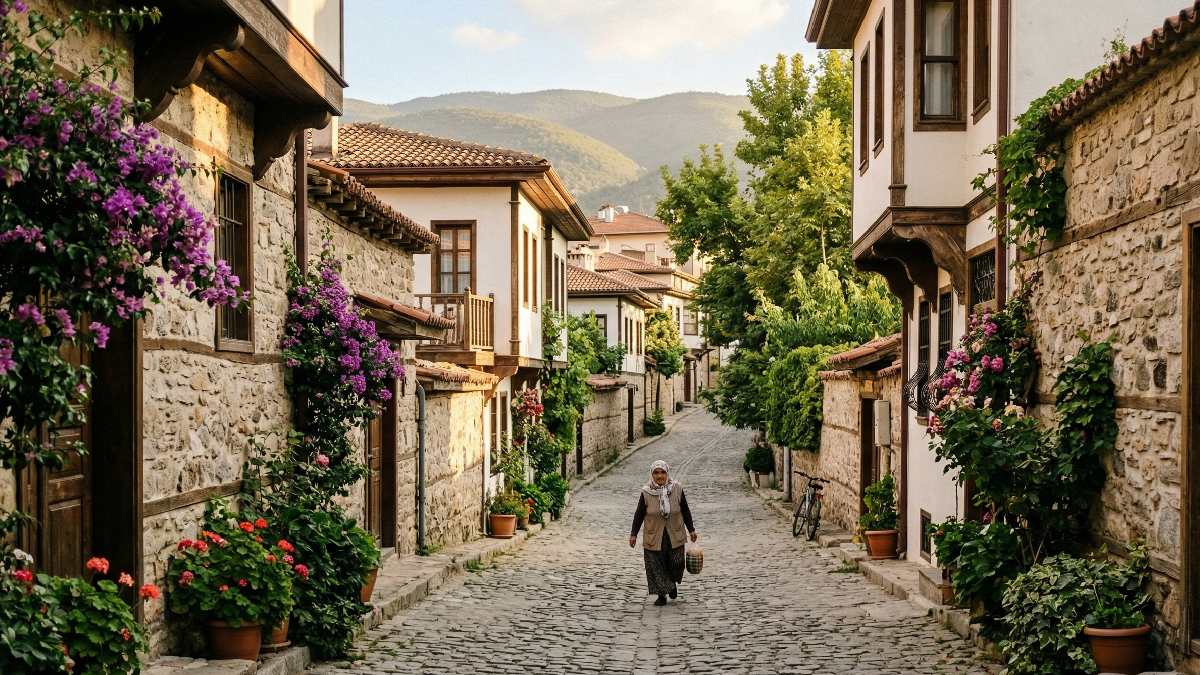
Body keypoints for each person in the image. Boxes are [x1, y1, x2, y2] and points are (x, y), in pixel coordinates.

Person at [629, 460, 697, 605]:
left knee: (677, 562)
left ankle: (671, 583)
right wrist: (633, 534)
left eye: (662, 472)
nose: (660, 476)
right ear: (652, 474)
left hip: (675, 533)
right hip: (654, 535)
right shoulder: (646, 492)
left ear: (667, 473)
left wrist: (691, 529)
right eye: (656, 473)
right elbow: (639, 514)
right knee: (655, 566)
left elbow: (685, 509)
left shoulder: (677, 488)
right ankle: (662, 594)